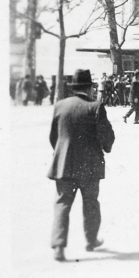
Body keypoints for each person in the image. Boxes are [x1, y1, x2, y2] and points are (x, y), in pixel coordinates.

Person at [48, 69, 115, 262]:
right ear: (90, 87)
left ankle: (58, 247)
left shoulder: (60, 106)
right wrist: (107, 147)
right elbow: (106, 136)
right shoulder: (95, 106)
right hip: (90, 166)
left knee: (62, 204)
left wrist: (61, 154)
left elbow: (54, 137)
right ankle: (91, 240)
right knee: (91, 203)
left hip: (64, 165)